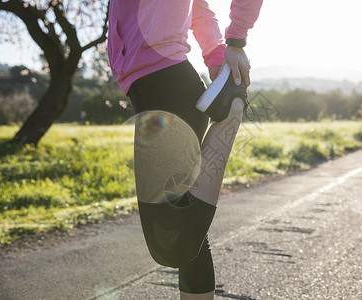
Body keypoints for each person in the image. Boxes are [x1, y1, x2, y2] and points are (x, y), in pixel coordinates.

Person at [107, 1, 263, 299]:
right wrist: (216, 55)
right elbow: (198, 7)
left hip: (166, 84)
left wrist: (236, 39)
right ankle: (230, 104)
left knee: (170, 242)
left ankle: (231, 111)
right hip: (152, 84)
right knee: (186, 232)